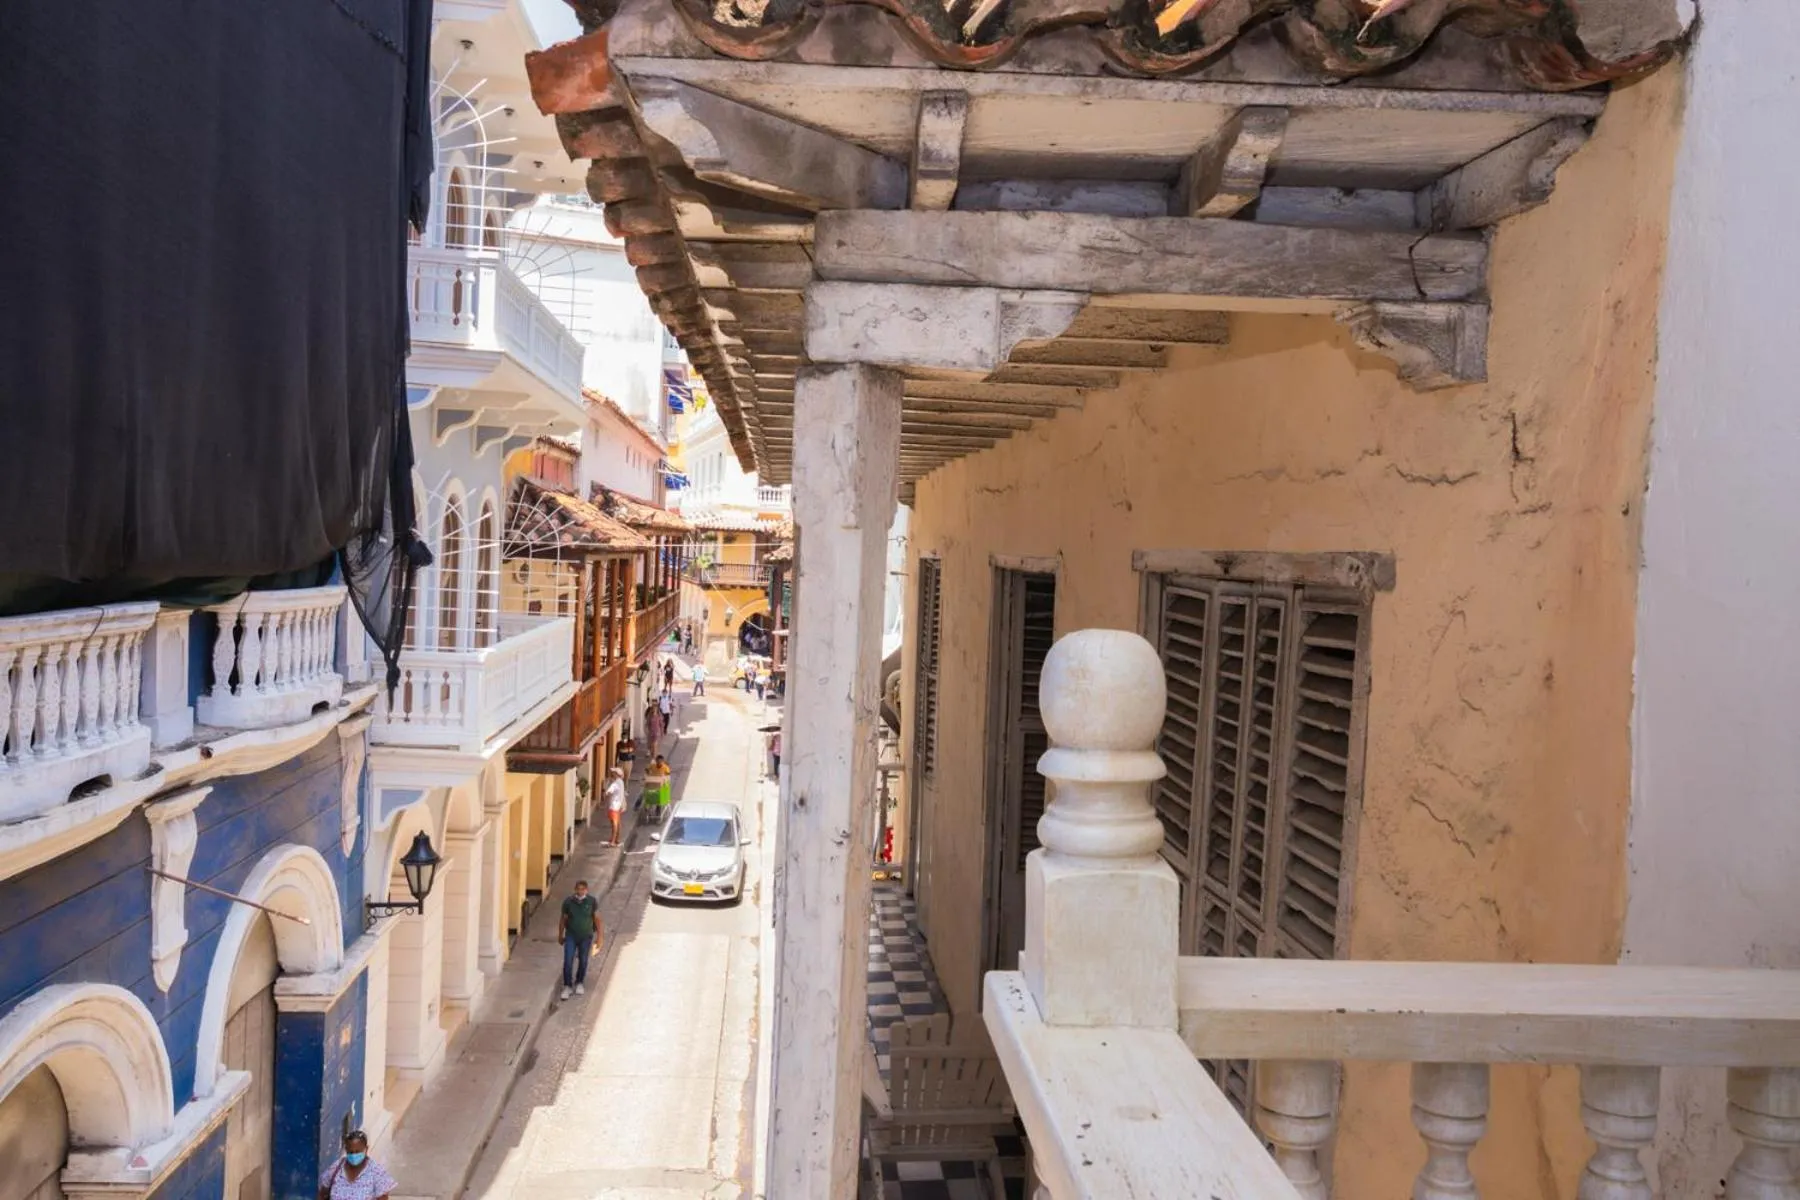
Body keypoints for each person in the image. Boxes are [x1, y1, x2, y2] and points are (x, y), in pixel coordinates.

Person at [557, 879, 604, 1000]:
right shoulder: (568, 902)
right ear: (575, 889)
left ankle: (579, 982)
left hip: (586, 936)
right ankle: (567, 985)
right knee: (568, 960)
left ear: (586, 890)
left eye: (583, 889)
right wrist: (560, 935)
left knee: (583, 960)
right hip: (571, 935)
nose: (580, 891)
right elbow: (563, 919)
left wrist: (599, 937)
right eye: (578, 888)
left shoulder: (591, 902)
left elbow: (597, 919)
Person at [319, 1130, 395, 1200]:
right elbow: (322, 1194)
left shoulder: (376, 1172)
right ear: (346, 1149)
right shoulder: (336, 1168)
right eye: (351, 1152)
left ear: (366, 1149)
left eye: (357, 1152)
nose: (354, 1155)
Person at [604, 766, 626, 846]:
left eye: (613, 772)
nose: (612, 774)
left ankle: (613, 841)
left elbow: (608, 792)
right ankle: (616, 839)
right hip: (618, 805)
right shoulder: (621, 782)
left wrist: (606, 791)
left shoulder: (615, 783)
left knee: (614, 823)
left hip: (614, 806)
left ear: (617, 774)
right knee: (618, 823)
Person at [646, 754, 672, 821]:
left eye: (660, 761)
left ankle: (658, 814)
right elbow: (647, 770)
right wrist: (648, 774)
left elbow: (668, 777)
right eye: (657, 761)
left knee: (659, 800)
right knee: (644, 795)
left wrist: (665, 779)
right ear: (656, 761)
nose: (659, 763)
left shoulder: (665, 768)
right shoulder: (652, 766)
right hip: (653, 787)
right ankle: (641, 808)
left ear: (663, 761)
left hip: (662, 788)